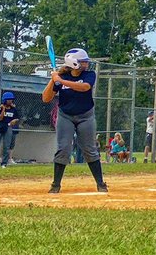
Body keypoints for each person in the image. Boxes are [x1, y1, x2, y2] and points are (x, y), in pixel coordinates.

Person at [42, 47, 108, 194]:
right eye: (83, 62)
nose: (86, 64)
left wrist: (62, 80)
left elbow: (85, 87)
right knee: (63, 149)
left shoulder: (89, 74)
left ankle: (100, 183)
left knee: (89, 149)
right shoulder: (61, 76)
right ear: (73, 62)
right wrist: (53, 80)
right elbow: (46, 98)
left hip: (86, 116)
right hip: (65, 116)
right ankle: (55, 185)